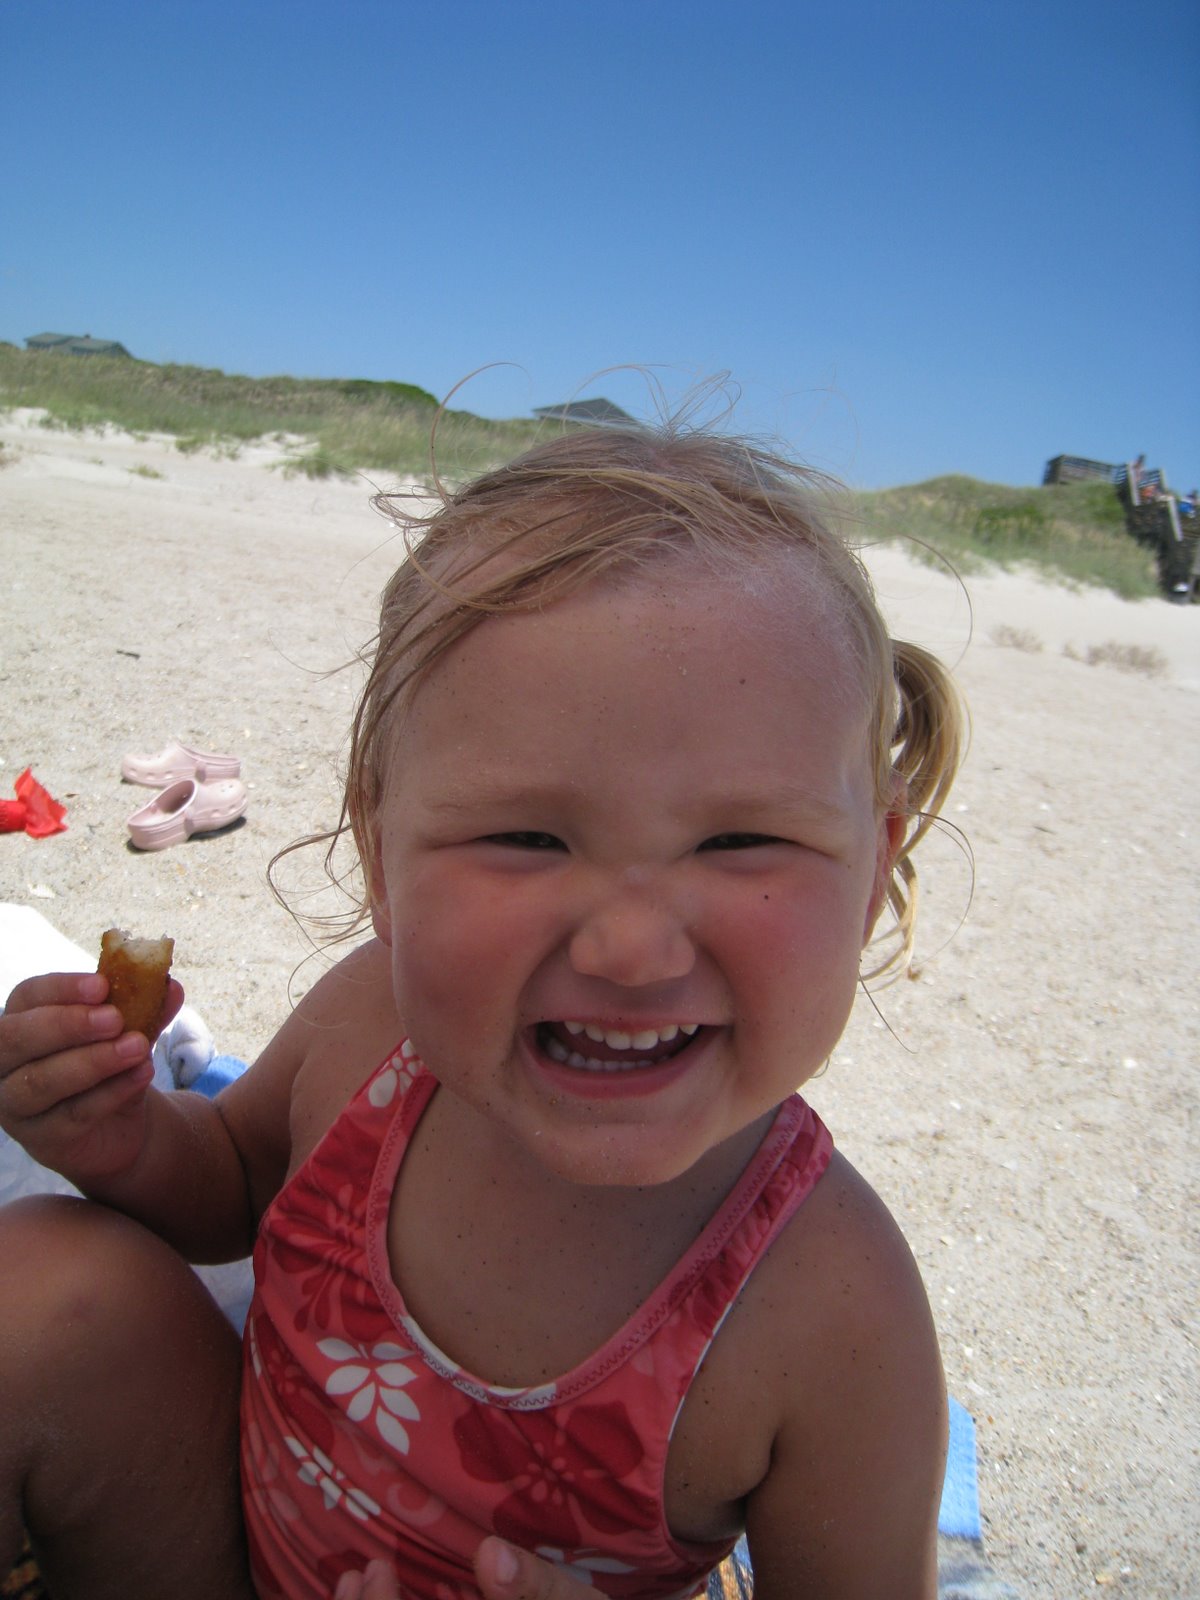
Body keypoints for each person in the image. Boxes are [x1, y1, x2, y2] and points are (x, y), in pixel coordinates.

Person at [0, 418, 964, 1600]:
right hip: (233, 1549)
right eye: (526, 837)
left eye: (740, 841)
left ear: (872, 873)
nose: (629, 949)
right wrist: (125, 1139)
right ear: (381, 856)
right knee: (42, 1281)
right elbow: (237, 1185)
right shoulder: (373, 1028)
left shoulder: (834, 1314)